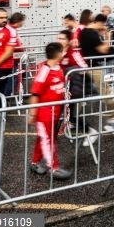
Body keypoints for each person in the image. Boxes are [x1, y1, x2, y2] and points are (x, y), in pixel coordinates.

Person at [28, 42, 72, 180]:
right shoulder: (44, 71)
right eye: (62, 51)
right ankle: (54, 168)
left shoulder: (58, 68)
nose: (64, 53)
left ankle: (34, 163)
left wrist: (65, 92)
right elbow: (35, 93)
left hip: (55, 112)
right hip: (44, 114)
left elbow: (58, 86)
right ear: (57, 54)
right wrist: (32, 113)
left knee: (45, 139)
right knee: (48, 141)